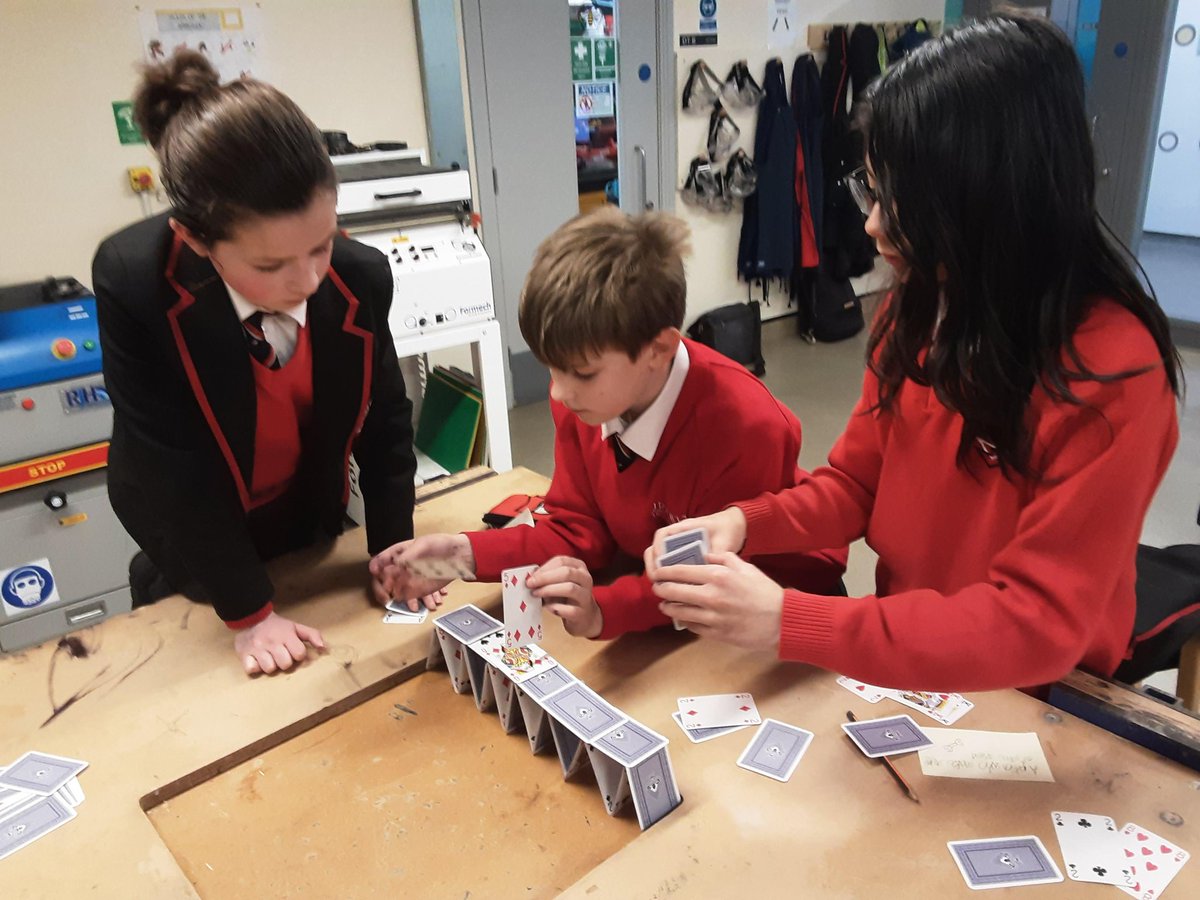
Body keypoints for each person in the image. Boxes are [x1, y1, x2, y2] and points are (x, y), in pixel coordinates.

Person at [647, 13, 1182, 693]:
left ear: (986, 201)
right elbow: (856, 484)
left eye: (897, 200)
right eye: (871, 189)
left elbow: (1036, 624)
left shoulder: (1113, 371)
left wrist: (790, 620)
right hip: (912, 656)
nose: (871, 223)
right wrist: (744, 522)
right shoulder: (919, 305)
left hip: (1047, 691)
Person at [94, 50, 434, 676]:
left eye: (320, 245)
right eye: (270, 266)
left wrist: (395, 554)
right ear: (198, 242)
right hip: (193, 529)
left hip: (303, 514)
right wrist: (250, 615)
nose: (307, 279)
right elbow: (174, 466)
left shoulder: (359, 277)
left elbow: (385, 426)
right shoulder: (135, 282)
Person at [371, 207, 846, 638]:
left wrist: (603, 610)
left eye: (581, 372)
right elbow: (580, 531)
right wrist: (459, 555)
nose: (557, 393)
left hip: (773, 602)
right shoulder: (585, 402)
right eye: (550, 368)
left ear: (657, 350)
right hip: (666, 595)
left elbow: (706, 582)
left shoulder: (746, 426)